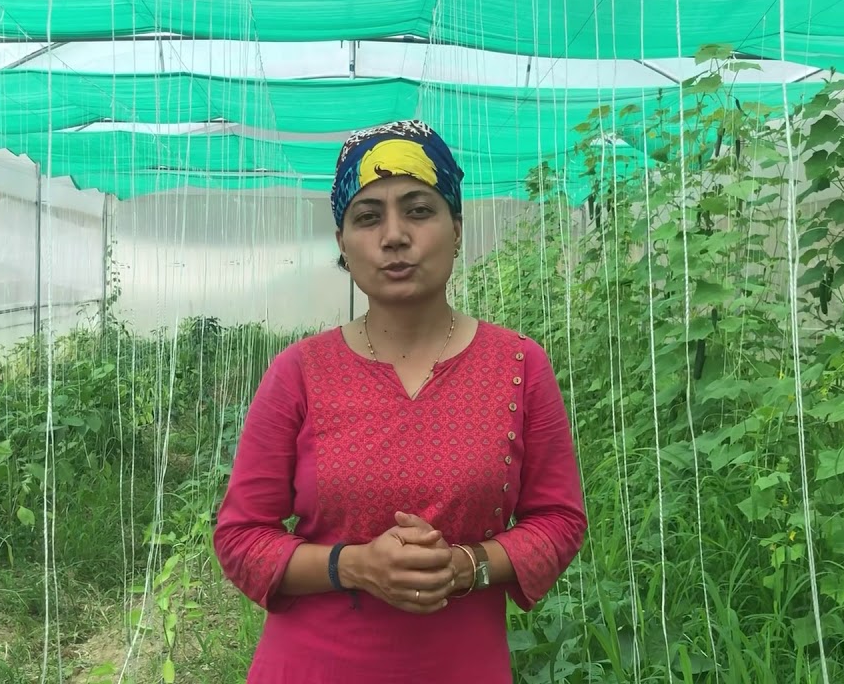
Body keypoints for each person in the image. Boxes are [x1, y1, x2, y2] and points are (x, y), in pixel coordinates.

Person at [212, 119, 588, 683]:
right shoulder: (300, 373)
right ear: (343, 242)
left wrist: (469, 566)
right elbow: (241, 537)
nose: (394, 236)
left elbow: (558, 520)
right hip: (312, 666)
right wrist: (354, 566)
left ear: (456, 227)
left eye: (418, 210)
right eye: (368, 217)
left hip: (462, 665)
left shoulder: (518, 366)